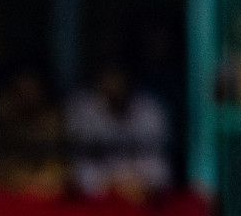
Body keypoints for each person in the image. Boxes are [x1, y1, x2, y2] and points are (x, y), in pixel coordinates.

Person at [66, 59, 172, 201]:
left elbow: (161, 165)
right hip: (97, 197)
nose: (114, 86)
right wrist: (109, 182)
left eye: (119, 79)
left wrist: (142, 182)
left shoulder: (151, 111)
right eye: (109, 79)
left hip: (140, 194)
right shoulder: (82, 110)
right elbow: (78, 165)